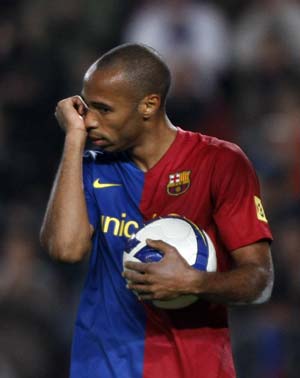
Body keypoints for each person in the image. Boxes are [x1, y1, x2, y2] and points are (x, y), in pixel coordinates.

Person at [40, 43, 274, 378]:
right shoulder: (90, 165)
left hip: (194, 367)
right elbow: (66, 249)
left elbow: (259, 281)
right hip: (103, 365)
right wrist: (73, 142)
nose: (89, 121)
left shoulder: (220, 163)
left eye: (104, 110)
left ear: (148, 105)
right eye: (86, 108)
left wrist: (194, 282)